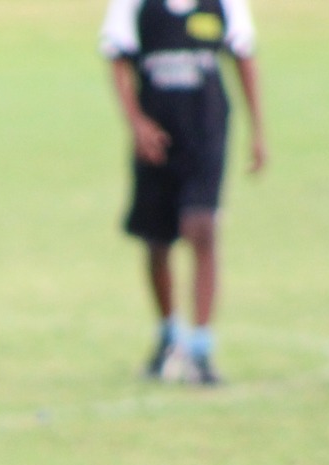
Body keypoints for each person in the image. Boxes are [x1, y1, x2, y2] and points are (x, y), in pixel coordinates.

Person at [102, 0, 266, 385]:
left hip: (206, 133)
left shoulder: (224, 5)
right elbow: (116, 59)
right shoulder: (135, 6)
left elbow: (244, 58)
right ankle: (168, 335)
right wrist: (137, 123)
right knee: (157, 240)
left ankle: (201, 347)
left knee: (202, 227)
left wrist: (258, 131)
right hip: (156, 141)